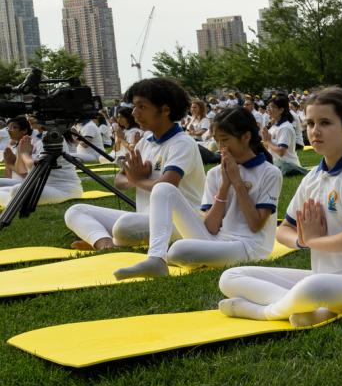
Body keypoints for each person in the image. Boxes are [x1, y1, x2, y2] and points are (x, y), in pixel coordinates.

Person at [217, 88, 342, 327]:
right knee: (231, 277)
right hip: (325, 277)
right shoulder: (313, 177)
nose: (315, 131)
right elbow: (283, 230)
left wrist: (312, 240)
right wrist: (302, 242)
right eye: (310, 123)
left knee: (312, 288)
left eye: (325, 123)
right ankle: (312, 310)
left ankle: (264, 312)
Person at [112, 108, 283, 280]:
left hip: (248, 246)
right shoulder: (215, 173)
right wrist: (224, 185)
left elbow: (255, 225)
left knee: (178, 250)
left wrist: (237, 183)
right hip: (217, 238)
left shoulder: (270, 173)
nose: (221, 147)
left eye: (225, 140)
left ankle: (186, 257)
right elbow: (210, 227)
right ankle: (156, 258)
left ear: (246, 137)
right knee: (162, 188)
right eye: (217, 141)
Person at [64, 78, 207, 251]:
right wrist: (134, 179)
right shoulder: (145, 140)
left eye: (142, 107)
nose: (134, 113)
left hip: (180, 222)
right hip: (144, 218)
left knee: (126, 225)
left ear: (165, 110)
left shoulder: (182, 143)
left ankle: (110, 240)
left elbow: (168, 186)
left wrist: (137, 180)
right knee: (76, 211)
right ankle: (107, 245)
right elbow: (120, 180)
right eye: (134, 106)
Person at [0, 116, 84, 207]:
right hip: (42, 186)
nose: (29, 119)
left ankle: (11, 203)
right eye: (28, 116)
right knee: (11, 190)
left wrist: (24, 154)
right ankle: (11, 201)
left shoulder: (51, 137)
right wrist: (19, 155)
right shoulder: (37, 138)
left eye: (33, 116)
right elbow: (22, 170)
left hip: (63, 190)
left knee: (15, 190)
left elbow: (37, 168)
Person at [263, 96, 303, 172]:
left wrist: (268, 141)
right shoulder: (273, 126)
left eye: (272, 107)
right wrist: (265, 139)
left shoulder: (285, 128)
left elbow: (281, 151)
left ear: (281, 110)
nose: (268, 109)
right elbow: (268, 148)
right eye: (268, 107)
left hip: (289, 166)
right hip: (278, 165)